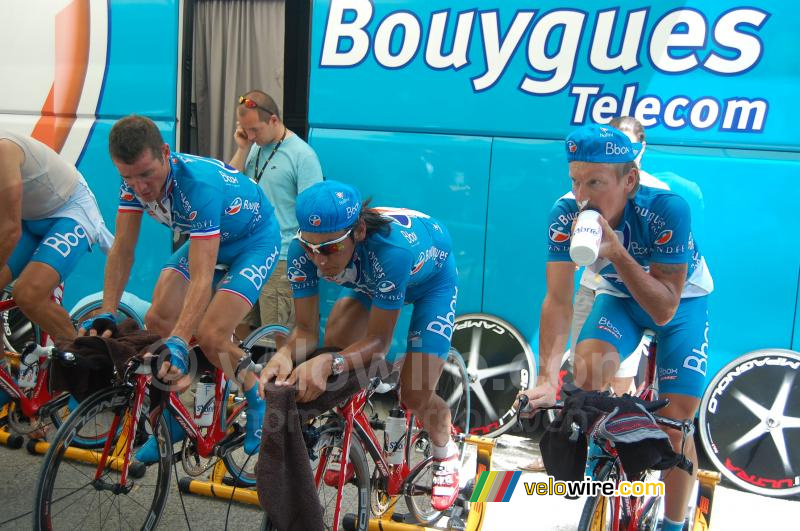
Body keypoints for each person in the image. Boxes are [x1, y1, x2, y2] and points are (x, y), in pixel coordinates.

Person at [520, 124, 713, 531]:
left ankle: (673, 523)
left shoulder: (667, 208)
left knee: (676, 424)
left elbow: (663, 308)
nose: (582, 195)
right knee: (586, 377)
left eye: (595, 181)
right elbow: (557, 299)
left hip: (680, 304)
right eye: (575, 180)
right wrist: (547, 377)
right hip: (622, 299)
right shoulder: (565, 214)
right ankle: (602, 459)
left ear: (630, 180)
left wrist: (618, 253)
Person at [80, 115, 281, 459]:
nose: (140, 187)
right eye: (128, 176)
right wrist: (108, 311)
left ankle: (254, 391)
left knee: (210, 334)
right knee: (158, 317)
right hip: (216, 237)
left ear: (165, 153)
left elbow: (202, 278)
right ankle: (177, 411)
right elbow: (122, 249)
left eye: (146, 174)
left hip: (254, 241)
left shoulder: (197, 187)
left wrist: (180, 338)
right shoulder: (132, 183)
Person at [259, 181, 462, 511]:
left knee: (414, 392)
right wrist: (283, 356)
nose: (318, 260)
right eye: (309, 248)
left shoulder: (391, 251)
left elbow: (379, 344)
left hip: (430, 284)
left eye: (328, 249)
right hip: (371, 280)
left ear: (359, 231)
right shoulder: (305, 252)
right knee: (334, 343)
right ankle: (348, 434)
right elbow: (307, 332)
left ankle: (446, 452)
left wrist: (330, 364)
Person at [0, 130, 113, 408]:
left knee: (28, 293)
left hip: (69, 211)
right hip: (32, 217)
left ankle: (81, 371)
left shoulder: (5, 150)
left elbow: (10, 229)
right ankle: (6, 381)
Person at [229, 90, 323, 337]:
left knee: (276, 337)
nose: (251, 135)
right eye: (245, 130)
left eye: (255, 130)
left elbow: (312, 216)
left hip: (281, 259)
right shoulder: (253, 147)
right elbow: (230, 187)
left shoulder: (302, 156)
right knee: (238, 328)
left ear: (273, 120)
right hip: (248, 254)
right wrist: (243, 147)